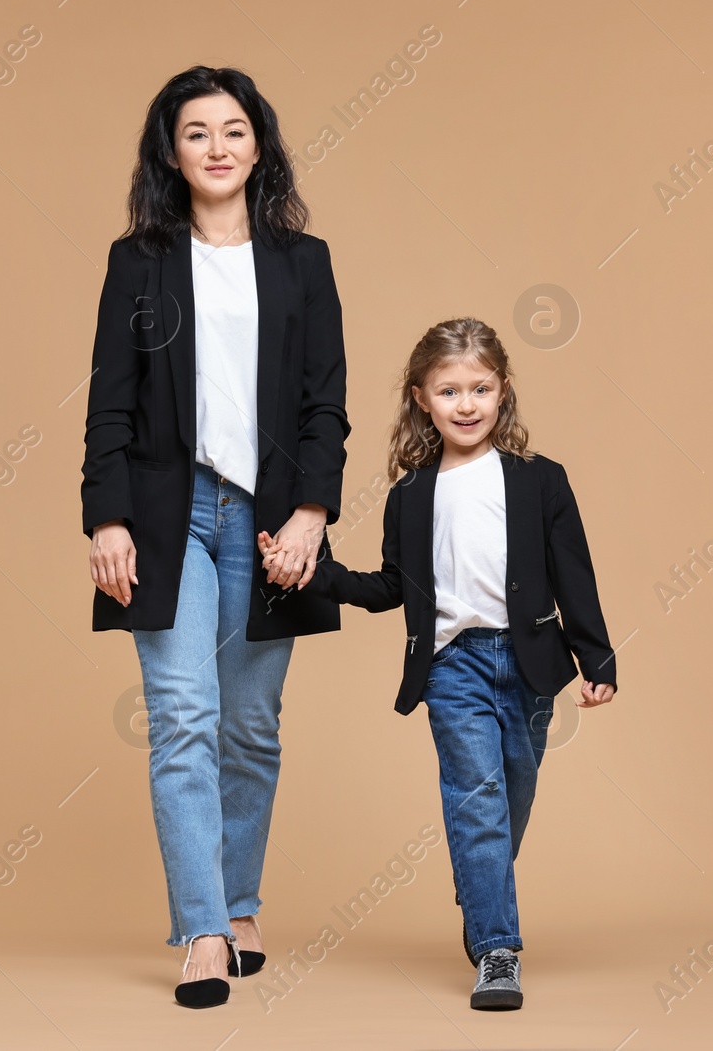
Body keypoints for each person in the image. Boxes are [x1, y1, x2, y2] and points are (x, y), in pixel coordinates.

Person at [81, 66, 350, 1008]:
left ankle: (240, 901)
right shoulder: (138, 260)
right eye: (197, 132)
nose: (219, 146)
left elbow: (326, 404)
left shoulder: (302, 261)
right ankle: (200, 928)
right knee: (185, 716)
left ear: (259, 145)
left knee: (250, 725)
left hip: (272, 517)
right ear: (170, 150)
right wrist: (104, 516)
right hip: (166, 515)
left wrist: (314, 512)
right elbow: (109, 399)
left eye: (235, 129)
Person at [264, 317, 616, 1010]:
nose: (466, 403)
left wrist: (596, 656)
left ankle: (479, 885)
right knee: (476, 799)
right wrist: (316, 571)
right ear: (421, 397)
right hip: (452, 666)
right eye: (449, 389)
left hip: (531, 663)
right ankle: (497, 950)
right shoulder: (411, 496)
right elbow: (391, 588)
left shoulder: (541, 481)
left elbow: (574, 574)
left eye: (480, 388)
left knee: (510, 795)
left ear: (503, 391)